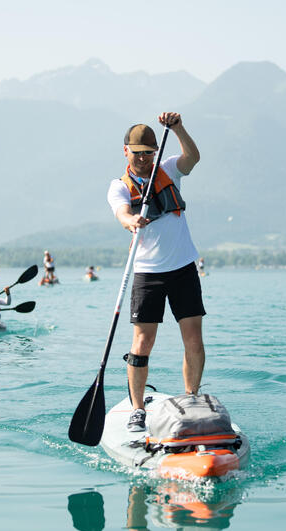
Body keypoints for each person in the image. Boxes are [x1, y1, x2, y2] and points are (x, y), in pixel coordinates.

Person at [106, 111, 203, 432]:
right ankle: (137, 408)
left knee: (193, 338)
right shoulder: (119, 187)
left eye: (149, 153)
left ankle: (191, 397)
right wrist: (132, 221)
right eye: (138, 154)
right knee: (142, 342)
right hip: (148, 273)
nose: (144, 159)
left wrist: (178, 128)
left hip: (183, 267)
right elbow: (122, 213)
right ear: (126, 152)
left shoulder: (169, 169)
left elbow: (193, 157)